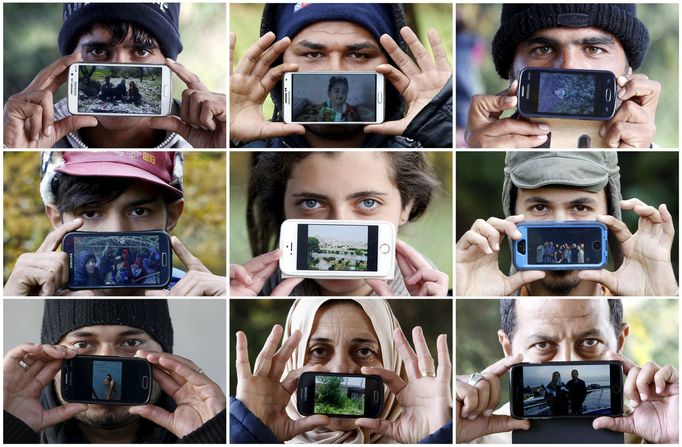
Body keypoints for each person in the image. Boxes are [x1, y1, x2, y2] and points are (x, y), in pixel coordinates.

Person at [3, 3, 226, 148]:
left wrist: (223, 144)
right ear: (69, 62)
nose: (119, 67)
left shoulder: (205, 133)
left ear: (170, 64)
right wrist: (14, 149)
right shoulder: (25, 133)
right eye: (99, 51)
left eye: (141, 51)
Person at [4, 151, 226, 296]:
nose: (116, 232)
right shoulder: (26, 292)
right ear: (55, 218)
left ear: (173, 215)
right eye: (90, 213)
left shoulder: (204, 293)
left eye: (139, 211)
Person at [456, 299, 679, 443]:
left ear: (620, 341)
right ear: (507, 347)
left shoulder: (654, 435)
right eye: (542, 345)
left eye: (590, 341)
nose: (568, 362)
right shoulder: (474, 437)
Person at [230, 3, 452, 148]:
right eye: (313, 53)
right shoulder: (250, 146)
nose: (335, 70)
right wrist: (226, 135)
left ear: (390, 65)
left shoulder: (430, 140)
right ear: (280, 63)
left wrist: (441, 127)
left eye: (358, 54)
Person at [230, 298, 452, 443]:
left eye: (364, 351)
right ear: (293, 360)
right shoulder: (253, 436)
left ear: (392, 360)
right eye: (318, 351)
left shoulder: (433, 436)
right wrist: (249, 433)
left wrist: (436, 437)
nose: (339, 370)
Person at [3, 299, 226, 443]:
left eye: (131, 343)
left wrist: (211, 437)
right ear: (50, 354)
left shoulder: (210, 429)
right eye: (82, 345)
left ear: (165, 353)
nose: (106, 360)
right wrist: (7, 429)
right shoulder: (14, 429)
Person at [456, 151, 678, 296]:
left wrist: (663, 295)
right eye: (540, 208)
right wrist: (462, 295)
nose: (560, 225)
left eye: (580, 208)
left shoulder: (651, 298)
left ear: (611, 214)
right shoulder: (477, 295)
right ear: (511, 213)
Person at [230, 152, 449, 296]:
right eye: (311, 203)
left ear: (406, 207)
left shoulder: (437, 296)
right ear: (283, 206)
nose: (339, 225)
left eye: (368, 202)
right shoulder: (244, 291)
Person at [465, 4, 659, 148]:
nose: (569, 66)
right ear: (510, 68)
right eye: (544, 49)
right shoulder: (479, 146)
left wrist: (644, 150)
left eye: (594, 49)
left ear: (628, 69)